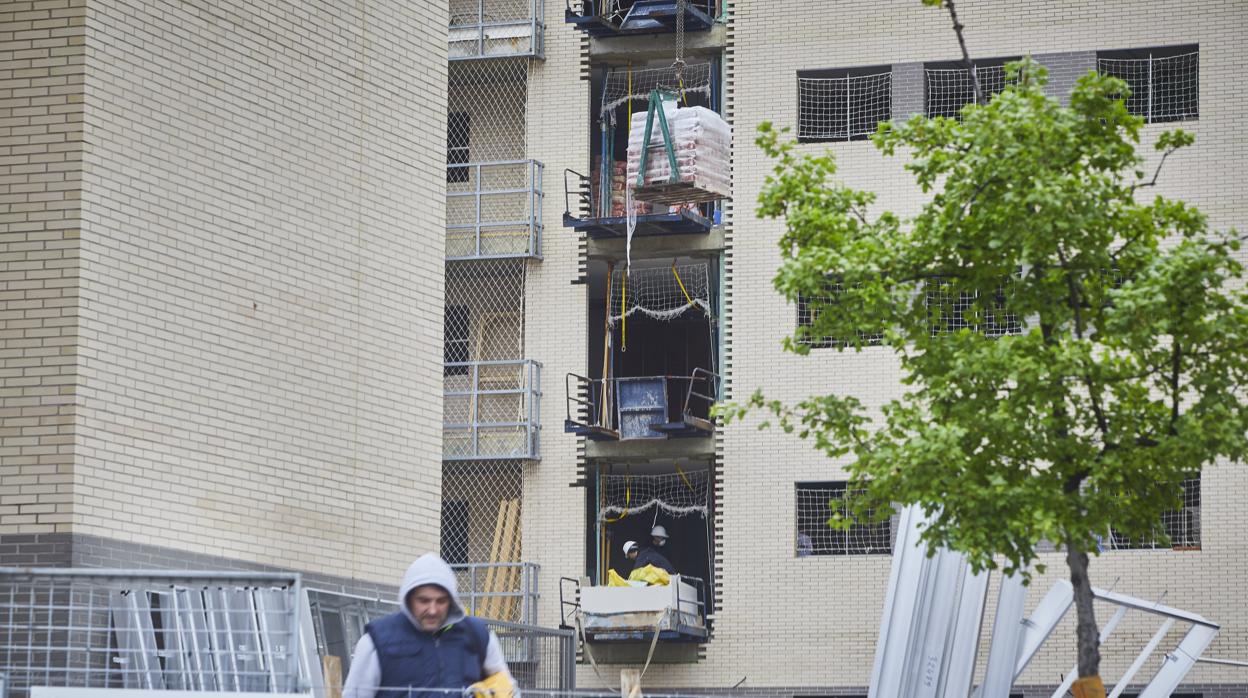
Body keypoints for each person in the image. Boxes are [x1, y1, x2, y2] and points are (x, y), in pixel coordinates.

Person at [342, 553, 516, 698]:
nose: (432, 610)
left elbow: (510, 690)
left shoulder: (477, 635)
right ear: (409, 598)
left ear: (451, 601)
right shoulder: (377, 641)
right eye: (424, 601)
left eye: (441, 601)